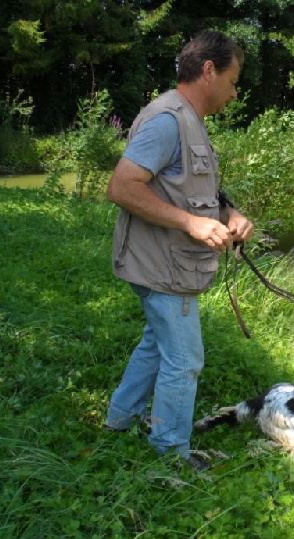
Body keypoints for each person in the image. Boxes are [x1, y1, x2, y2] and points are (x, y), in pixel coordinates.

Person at [105, 31, 254, 467]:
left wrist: (231, 213)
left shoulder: (192, 122)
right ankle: (171, 456)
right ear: (209, 70)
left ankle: (120, 420)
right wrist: (191, 223)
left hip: (167, 266)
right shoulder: (168, 120)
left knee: (157, 345)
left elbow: (193, 190)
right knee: (184, 360)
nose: (235, 91)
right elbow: (121, 187)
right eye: (233, 80)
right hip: (162, 268)